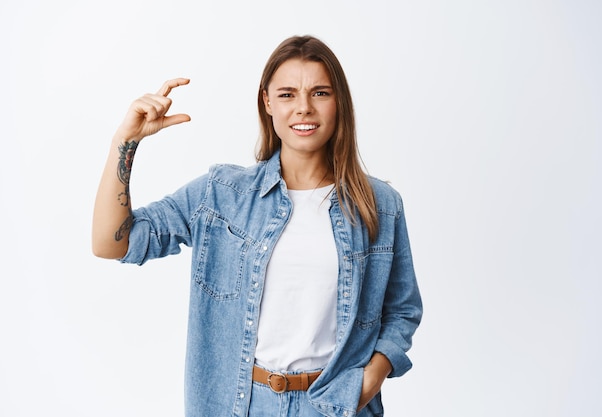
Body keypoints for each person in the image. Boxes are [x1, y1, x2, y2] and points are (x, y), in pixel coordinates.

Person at [92, 35, 422, 417]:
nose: (304, 108)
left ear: (339, 103)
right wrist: (125, 142)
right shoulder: (222, 195)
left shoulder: (380, 205)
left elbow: (401, 310)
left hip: (335, 404)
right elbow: (112, 244)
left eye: (319, 93)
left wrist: (368, 382)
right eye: (286, 95)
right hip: (242, 403)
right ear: (267, 102)